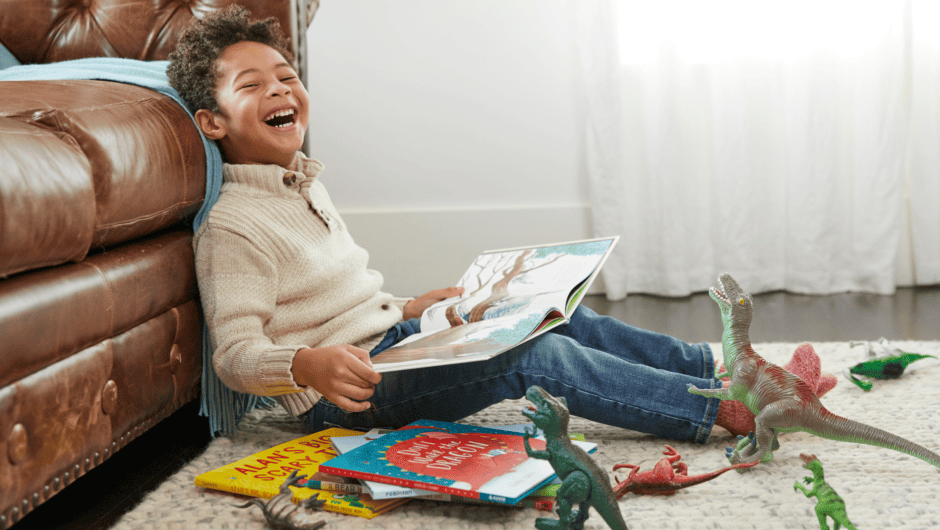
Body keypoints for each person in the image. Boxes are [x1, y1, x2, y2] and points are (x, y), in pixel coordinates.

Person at [167, 6, 760, 442]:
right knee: (533, 357)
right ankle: (713, 408)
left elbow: (336, 298)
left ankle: (714, 367)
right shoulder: (233, 227)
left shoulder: (303, 182)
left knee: (552, 311)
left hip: (393, 344)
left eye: (286, 75)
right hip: (343, 395)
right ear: (212, 123)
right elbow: (236, 353)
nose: (279, 87)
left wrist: (405, 307)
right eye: (252, 85)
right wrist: (305, 365)